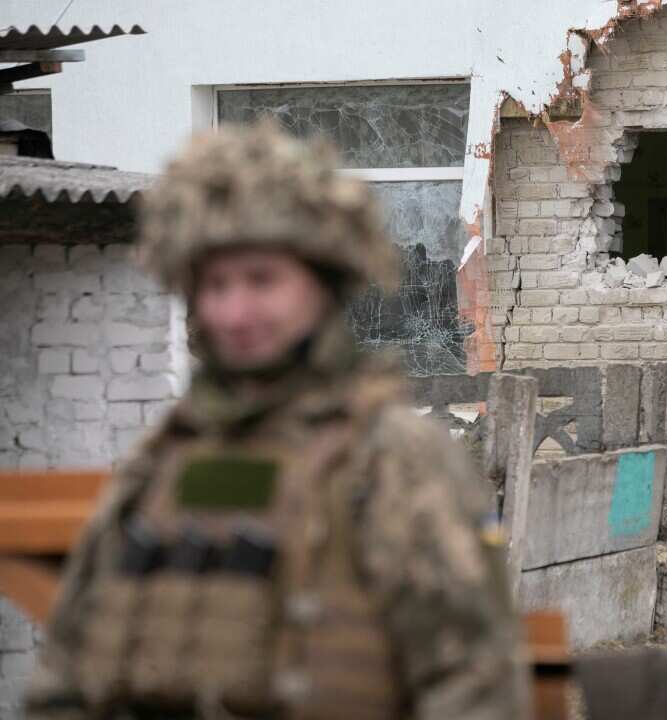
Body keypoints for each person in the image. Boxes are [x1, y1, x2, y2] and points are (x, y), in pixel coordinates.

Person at [24, 122, 529, 720]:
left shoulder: (393, 458)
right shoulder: (163, 460)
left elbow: (473, 690)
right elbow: (68, 673)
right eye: (216, 284)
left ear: (323, 283)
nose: (235, 311)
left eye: (262, 280)